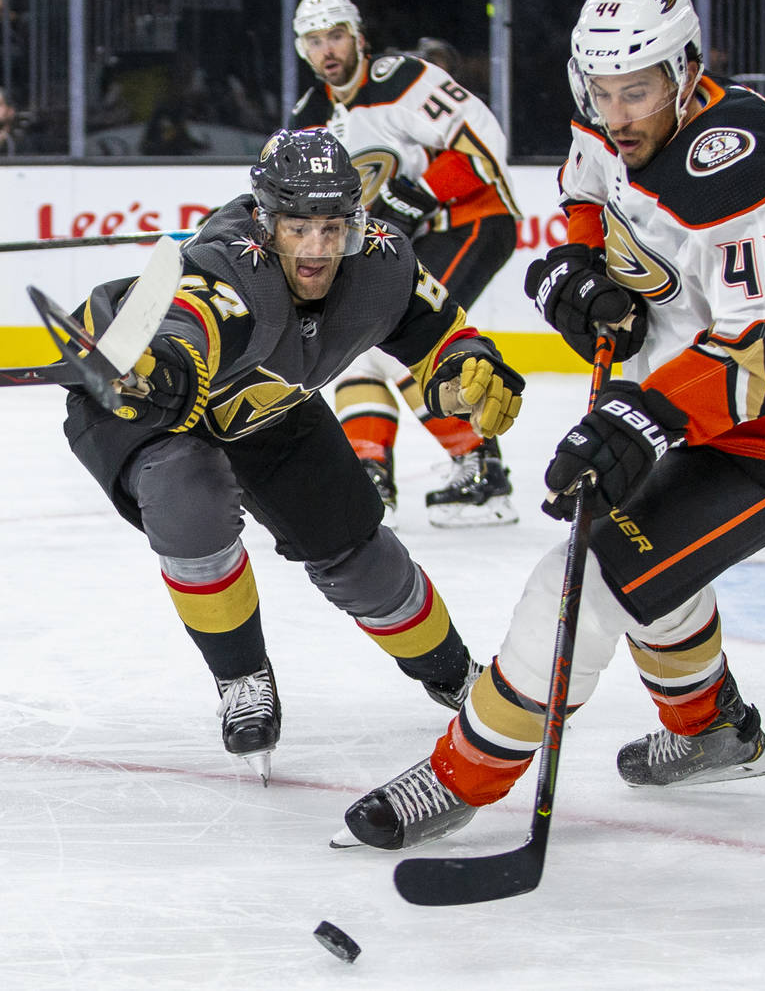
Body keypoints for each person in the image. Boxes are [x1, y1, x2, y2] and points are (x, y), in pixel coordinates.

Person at [337, 0, 765, 852]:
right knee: (652, 572)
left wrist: (642, 418)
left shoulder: (748, 161)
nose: (617, 113)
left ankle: (463, 773)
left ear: (688, 70)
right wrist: (577, 275)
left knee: (581, 578)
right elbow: (588, 202)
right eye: (602, 91)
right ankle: (712, 731)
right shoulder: (605, 114)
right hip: (680, 392)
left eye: (639, 90)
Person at [62, 127, 524, 786]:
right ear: (265, 218)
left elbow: (442, 332)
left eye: (332, 227)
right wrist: (164, 361)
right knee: (188, 494)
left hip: (260, 402)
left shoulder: (384, 262)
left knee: (357, 550)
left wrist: (467, 369)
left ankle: (453, 675)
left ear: (355, 221)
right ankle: (242, 679)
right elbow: (190, 319)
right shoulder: (228, 258)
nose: (315, 250)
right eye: (297, 228)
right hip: (150, 400)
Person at [288, 0, 522, 529]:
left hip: (473, 218)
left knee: (400, 333)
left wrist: (414, 196)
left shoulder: (400, 78)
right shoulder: (311, 116)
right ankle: (373, 474)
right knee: (358, 341)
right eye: (316, 39)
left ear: (359, 36)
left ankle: (480, 470)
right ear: (304, 49)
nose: (329, 49)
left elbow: (480, 143)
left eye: (337, 34)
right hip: (407, 239)